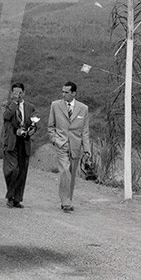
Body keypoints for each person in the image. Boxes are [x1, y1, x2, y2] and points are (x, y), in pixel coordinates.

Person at [47, 81, 91, 213]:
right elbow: (51, 126)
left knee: (71, 174)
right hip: (62, 143)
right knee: (65, 171)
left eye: (66, 92)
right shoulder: (55, 105)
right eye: (62, 91)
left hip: (76, 145)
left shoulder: (83, 108)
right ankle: (65, 201)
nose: (63, 94)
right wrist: (55, 140)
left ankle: (68, 199)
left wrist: (87, 150)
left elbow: (85, 131)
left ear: (74, 93)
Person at [2, 82, 38, 209]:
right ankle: (10, 195)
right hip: (11, 142)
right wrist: (14, 104)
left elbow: (34, 121)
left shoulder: (29, 107)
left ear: (24, 93)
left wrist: (32, 130)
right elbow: (6, 117)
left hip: (24, 141)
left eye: (20, 92)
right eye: (15, 92)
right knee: (12, 169)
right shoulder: (8, 105)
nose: (18, 95)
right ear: (11, 93)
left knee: (22, 170)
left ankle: (16, 198)